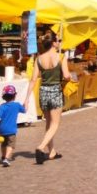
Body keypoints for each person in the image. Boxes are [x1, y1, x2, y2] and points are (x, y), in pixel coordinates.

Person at [27, 32, 76, 164]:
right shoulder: (61, 57)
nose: (59, 42)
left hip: (43, 91)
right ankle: (40, 147)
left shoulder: (39, 58)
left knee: (48, 123)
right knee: (55, 124)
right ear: (54, 43)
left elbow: (33, 79)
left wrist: (26, 99)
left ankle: (52, 151)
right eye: (58, 40)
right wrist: (70, 76)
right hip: (55, 91)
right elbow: (66, 76)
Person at [0, 84, 26, 167]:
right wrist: (25, 104)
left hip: (2, 129)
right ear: (14, 95)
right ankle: (7, 159)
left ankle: (3, 156)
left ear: (3, 96)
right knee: (11, 144)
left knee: (3, 144)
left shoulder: (2, 106)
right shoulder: (17, 105)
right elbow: (24, 110)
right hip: (11, 130)